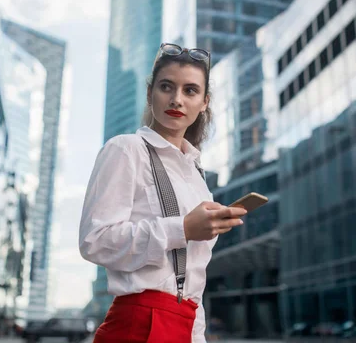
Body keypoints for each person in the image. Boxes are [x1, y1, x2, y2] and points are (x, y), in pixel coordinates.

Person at [79, 42, 247, 343]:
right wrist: (181, 228)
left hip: (186, 324)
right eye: (166, 87)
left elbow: (193, 284)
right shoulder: (126, 149)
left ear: (204, 102)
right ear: (150, 93)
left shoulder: (197, 178)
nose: (177, 100)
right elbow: (94, 240)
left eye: (190, 91)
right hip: (138, 325)